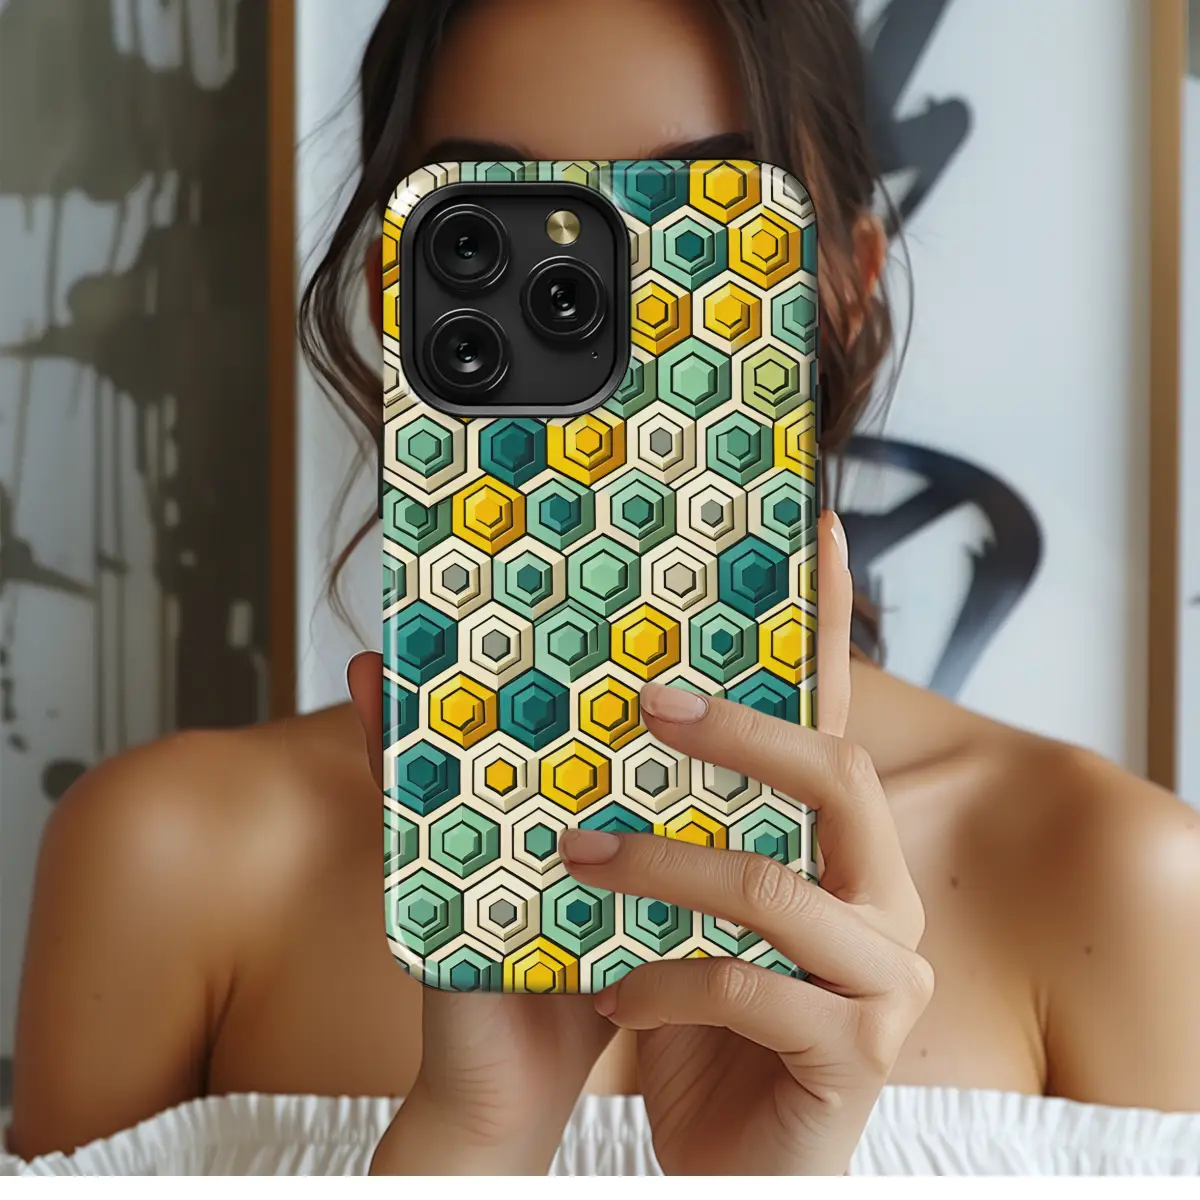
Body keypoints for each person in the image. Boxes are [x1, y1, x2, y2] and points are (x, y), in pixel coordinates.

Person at [7, 0, 1200, 1177]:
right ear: (393, 291)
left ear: (846, 285)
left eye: (700, 220)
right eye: (492, 228)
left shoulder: (1115, 882)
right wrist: (474, 1140)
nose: (610, 302)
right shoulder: (169, 863)